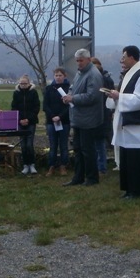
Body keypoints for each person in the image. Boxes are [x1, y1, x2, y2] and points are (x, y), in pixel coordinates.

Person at [107, 46, 140, 199]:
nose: (121, 60)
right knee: (129, 159)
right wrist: (115, 97)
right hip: (129, 125)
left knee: (139, 159)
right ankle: (131, 189)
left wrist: (120, 97)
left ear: (132, 58)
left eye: (123, 57)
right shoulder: (129, 74)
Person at [61, 49, 103, 187]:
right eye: (77, 61)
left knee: (88, 150)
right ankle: (78, 177)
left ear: (88, 59)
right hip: (78, 118)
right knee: (78, 149)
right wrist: (68, 96)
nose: (78, 63)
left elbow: (92, 96)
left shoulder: (93, 74)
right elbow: (73, 88)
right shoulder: (80, 73)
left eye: (81, 60)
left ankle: (92, 177)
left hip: (89, 119)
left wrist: (73, 98)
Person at [42, 67, 70, 176]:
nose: (58, 77)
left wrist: (60, 116)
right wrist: (53, 116)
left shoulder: (68, 89)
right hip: (51, 121)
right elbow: (45, 105)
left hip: (64, 121)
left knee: (63, 145)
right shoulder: (49, 89)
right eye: (56, 75)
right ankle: (51, 166)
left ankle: (63, 166)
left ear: (64, 76)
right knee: (53, 145)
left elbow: (69, 106)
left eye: (60, 75)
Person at [11, 74, 40, 175]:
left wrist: (28, 119)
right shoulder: (16, 93)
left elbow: (36, 108)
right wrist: (19, 119)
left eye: (25, 83)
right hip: (20, 122)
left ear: (29, 83)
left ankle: (32, 164)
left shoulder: (33, 93)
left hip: (31, 122)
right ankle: (25, 165)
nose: (23, 85)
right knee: (23, 145)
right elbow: (14, 107)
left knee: (29, 144)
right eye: (21, 83)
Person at [91, 57, 115, 175]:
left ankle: (101, 167)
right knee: (94, 143)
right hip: (91, 114)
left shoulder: (106, 80)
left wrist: (110, 112)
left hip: (103, 113)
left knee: (100, 142)